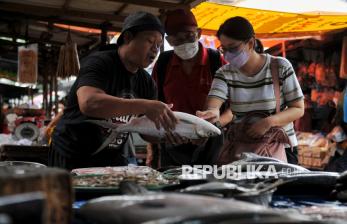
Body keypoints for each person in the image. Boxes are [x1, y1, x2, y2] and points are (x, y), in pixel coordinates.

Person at [49, 11, 177, 170]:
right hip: (72, 154)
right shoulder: (99, 62)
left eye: (158, 45)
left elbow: (146, 133)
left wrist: (172, 134)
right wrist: (145, 106)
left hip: (112, 160)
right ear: (128, 37)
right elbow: (89, 103)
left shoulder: (147, 82)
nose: (155, 50)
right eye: (150, 41)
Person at [197, 16, 304, 164]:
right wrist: (212, 113)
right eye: (224, 49)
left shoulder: (280, 66)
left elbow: (298, 108)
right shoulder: (225, 73)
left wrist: (269, 122)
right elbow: (215, 103)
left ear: (251, 43)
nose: (227, 54)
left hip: (280, 149)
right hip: (242, 149)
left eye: (233, 48)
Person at [147, 9, 233, 167]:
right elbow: (154, 105)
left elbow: (235, 107)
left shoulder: (215, 61)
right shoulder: (163, 64)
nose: (184, 43)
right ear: (168, 40)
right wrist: (165, 131)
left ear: (199, 33)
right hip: (173, 142)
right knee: (174, 188)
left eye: (189, 36)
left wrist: (213, 127)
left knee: (211, 188)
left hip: (212, 144)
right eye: (176, 39)